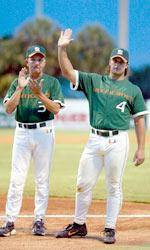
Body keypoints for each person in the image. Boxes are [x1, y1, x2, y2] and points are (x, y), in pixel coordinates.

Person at [56, 29, 148, 244]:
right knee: (82, 183)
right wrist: (62, 48)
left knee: (114, 185)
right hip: (94, 139)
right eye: (114, 60)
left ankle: (109, 228)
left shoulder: (132, 90)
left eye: (121, 61)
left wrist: (141, 148)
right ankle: (79, 225)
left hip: (118, 141)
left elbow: (139, 120)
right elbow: (68, 71)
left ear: (126, 66)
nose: (117, 64)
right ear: (109, 63)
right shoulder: (94, 81)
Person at [0, 45, 65, 237]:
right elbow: (9, 109)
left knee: (42, 178)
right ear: (27, 62)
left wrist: (39, 94)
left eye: (40, 59)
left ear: (44, 62)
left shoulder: (52, 83)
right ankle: (10, 221)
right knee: (16, 179)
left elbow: (56, 109)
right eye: (33, 59)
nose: (36, 62)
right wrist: (20, 88)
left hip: (44, 132)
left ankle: (39, 220)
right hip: (22, 133)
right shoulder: (17, 82)